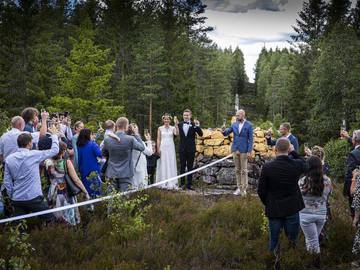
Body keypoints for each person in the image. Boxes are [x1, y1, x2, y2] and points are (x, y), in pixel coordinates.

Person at [257, 138, 308, 270]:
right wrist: (294, 152)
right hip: (292, 208)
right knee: (292, 241)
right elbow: (306, 165)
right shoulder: (296, 164)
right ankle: (291, 264)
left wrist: (268, 203)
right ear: (289, 150)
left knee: (273, 239)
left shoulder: (267, 167)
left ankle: (272, 264)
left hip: (274, 209)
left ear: (275, 149)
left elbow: (261, 190)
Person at [3, 132, 59, 221]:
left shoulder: (9, 159)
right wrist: (55, 135)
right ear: (29, 143)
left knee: (19, 228)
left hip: (17, 198)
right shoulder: (34, 154)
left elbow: (7, 181)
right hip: (34, 197)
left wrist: (12, 196)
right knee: (51, 219)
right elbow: (55, 150)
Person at [298, 156, 332, 268]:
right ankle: (311, 262)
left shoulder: (302, 181)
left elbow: (298, 197)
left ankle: (316, 264)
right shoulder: (327, 180)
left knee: (312, 240)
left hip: (306, 215)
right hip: (321, 214)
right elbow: (328, 195)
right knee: (312, 239)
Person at [45, 141, 89, 225]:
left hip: (53, 191)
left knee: (56, 216)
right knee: (69, 215)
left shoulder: (47, 162)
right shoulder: (66, 162)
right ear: (63, 151)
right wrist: (85, 192)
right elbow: (76, 179)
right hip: (65, 191)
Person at [102, 117, 145, 192]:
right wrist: (136, 134)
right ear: (126, 126)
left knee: (111, 199)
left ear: (116, 126)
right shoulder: (130, 139)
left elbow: (103, 153)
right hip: (126, 173)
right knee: (124, 199)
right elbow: (142, 148)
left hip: (111, 172)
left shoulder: (107, 139)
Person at [222, 109, 253, 196]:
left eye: (238, 115)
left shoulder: (249, 125)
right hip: (235, 149)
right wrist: (223, 130)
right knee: (237, 170)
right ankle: (239, 188)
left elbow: (251, 139)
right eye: (236, 115)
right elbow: (226, 133)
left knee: (244, 170)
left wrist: (249, 151)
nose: (236, 116)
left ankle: (244, 188)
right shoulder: (234, 124)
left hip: (244, 150)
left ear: (243, 115)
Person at [178, 109, 203, 190]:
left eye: (187, 115)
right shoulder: (179, 124)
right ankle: (182, 184)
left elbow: (201, 134)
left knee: (190, 167)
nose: (186, 116)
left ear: (190, 116)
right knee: (182, 166)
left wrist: (197, 126)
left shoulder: (194, 124)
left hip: (191, 149)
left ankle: (189, 184)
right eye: (184, 115)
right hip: (182, 149)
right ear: (183, 116)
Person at [77, 129, 102, 198]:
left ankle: (88, 206)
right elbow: (100, 154)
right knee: (96, 190)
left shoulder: (79, 145)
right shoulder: (92, 144)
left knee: (87, 190)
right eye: (91, 134)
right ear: (88, 135)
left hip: (83, 169)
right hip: (93, 169)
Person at [156, 114, 179, 189]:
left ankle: (171, 182)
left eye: (167, 119)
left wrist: (176, 124)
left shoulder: (172, 128)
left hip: (170, 148)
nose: (166, 120)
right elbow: (158, 139)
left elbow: (177, 133)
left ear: (170, 120)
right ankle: (162, 182)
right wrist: (158, 148)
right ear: (163, 120)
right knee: (163, 162)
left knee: (170, 162)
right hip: (163, 147)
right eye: (165, 119)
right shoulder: (160, 128)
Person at [128, 123, 153, 188]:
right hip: (140, 167)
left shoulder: (126, 139)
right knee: (141, 187)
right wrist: (149, 141)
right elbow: (149, 152)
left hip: (130, 167)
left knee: (132, 187)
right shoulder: (138, 141)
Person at [344, 130, 360, 218]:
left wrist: (347, 189)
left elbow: (350, 173)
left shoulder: (353, 154)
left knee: (354, 213)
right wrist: (348, 137)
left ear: (355, 140)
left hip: (356, 188)